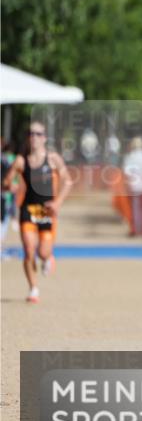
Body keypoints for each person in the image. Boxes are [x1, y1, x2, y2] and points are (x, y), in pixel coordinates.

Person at [1, 121, 73, 302]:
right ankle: (33, 289)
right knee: (28, 249)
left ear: (45, 138)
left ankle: (48, 258)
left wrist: (57, 203)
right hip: (27, 208)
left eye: (38, 134)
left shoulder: (53, 158)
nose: (34, 137)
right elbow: (6, 183)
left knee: (42, 253)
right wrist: (11, 185)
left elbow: (68, 181)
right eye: (31, 134)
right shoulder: (20, 160)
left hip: (46, 210)